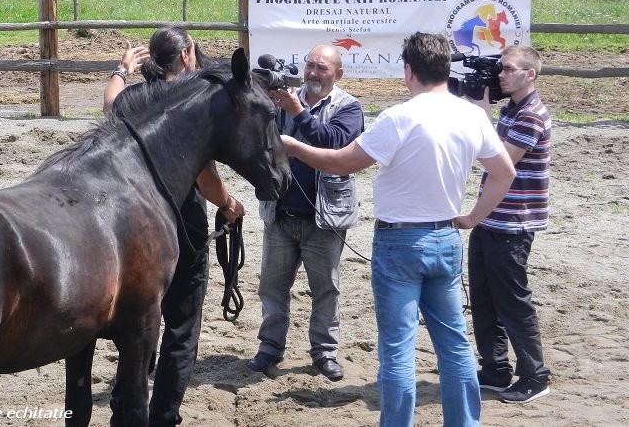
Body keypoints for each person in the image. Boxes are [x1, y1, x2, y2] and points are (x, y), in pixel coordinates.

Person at [278, 32, 516, 426]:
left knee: (397, 349)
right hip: (445, 236)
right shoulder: (472, 115)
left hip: (399, 241)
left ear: (409, 71)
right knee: (454, 344)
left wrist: (295, 146)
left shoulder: (399, 117)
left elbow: (340, 162)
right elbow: (503, 173)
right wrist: (474, 216)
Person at [104, 26, 246, 426]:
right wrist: (229, 204)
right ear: (185, 56)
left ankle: (125, 410)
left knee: (136, 328)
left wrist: (121, 69)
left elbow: (110, 104)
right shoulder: (189, 105)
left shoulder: (134, 99)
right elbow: (205, 177)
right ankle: (164, 415)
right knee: (181, 328)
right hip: (180, 227)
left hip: (131, 225)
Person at [247, 44, 364, 382]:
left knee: (326, 288)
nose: (312, 72)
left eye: (321, 68)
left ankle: (324, 352)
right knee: (271, 287)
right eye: (310, 65)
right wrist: (265, 99)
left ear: (338, 74)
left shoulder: (349, 106)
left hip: (325, 218)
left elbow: (333, 141)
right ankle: (269, 348)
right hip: (280, 214)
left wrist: (297, 110)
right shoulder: (282, 99)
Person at [467, 45, 552, 404]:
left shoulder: (531, 115)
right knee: (484, 299)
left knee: (513, 302)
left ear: (529, 74)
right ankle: (495, 368)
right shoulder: (513, 110)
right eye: (500, 68)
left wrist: (481, 119)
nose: (500, 74)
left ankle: (535, 375)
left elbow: (500, 162)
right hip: (492, 219)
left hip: (513, 225)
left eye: (508, 69)